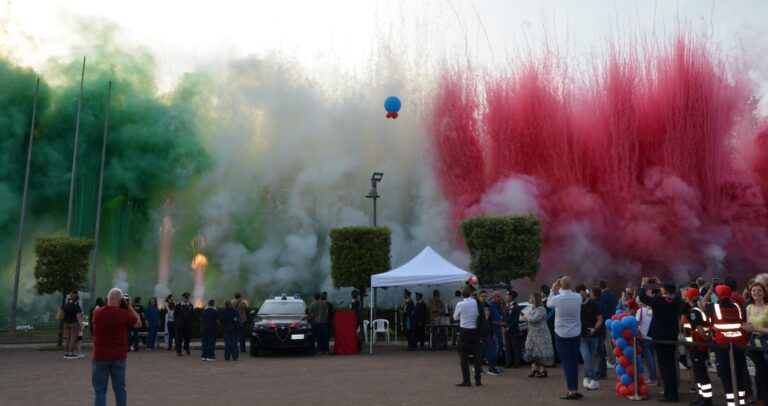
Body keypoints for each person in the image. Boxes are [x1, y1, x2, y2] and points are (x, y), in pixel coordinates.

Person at [91, 288, 141, 406]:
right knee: (120, 389)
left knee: (100, 391)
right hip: (118, 356)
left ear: (107, 299)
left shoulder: (97, 312)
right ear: (120, 301)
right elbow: (138, 323)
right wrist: (129, 307)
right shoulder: (124, 314)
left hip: (100, 356)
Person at [639, 277, 681, 403]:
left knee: (665, 366)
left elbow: (643, 298)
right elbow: (676, 294)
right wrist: (662, 284)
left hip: (660, 337)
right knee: (670, 365)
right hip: (672, 335)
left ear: (665, 290)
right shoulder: (676, 300)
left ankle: (670, 395)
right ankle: (670, 391)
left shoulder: (659, 300)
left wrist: (643, 285)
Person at [707, 285, 749, 406]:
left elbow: (703, 304)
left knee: (726, 374)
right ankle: (741, 400)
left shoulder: (713, 307)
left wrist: (710, 291)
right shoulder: (737, 306)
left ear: (717, 295)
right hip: (739, 343)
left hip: (722, 345)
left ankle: (731, 402)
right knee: (739, 372)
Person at [547, 276, 583, 400]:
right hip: (575, 333)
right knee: (574, 362)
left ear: (560, 285)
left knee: (567, 363)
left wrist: (553, 290)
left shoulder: (557, 298)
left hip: (561, 334)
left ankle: (571, 391)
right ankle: (575, 389)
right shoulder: (578, 297)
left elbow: (548, 304)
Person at [682, 287, 714, 406]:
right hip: (696, 346)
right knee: (698, 373)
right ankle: (702, 397)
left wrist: (706, 340)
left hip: (697, 346)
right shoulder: (698, 309)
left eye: (686, 295)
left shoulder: (694, 312)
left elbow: (700, 329)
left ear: (690, 298)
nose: (685, 297)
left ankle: (706, 400)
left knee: (701, 374)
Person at [743, 281, 768, 406]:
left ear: (764, 293)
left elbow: (753, 328)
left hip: (766, 345)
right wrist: (746, 328)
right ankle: (762, 399)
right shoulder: (749, 308)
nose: (756, 292)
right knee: (759, 373)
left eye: (759, 290)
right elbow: (748, 326)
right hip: (755, 346)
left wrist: (755, 329)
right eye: (753, 290)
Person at [453, 286, 482, 387]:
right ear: (470, 293)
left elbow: (455, 317)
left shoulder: (460, 304)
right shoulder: (475, 302)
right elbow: (478, 314)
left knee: (463, 356)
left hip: (464, 330)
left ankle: (466, 380)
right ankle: (478, 379)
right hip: (475, 330)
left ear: (462, 294)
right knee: (477, 355)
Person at [576, 284, 603, 391]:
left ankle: (586, 377)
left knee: (590, 359)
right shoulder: (576, 305)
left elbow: (600, 319)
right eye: (579, 295)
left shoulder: (594, 304)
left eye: (582, 294)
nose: (581, 296)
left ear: (585, 293)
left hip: (593, 336)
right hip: (581, 336)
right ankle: (594, 380)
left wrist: (594, 329)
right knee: (586, 357)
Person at [523, 291, 554, 378]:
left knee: (542, 351)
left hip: (541, 335)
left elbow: (534, 319)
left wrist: (526, 317)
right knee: (532, 350)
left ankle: (543, 370)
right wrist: (527, 317)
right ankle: (534, 369)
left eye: (531, 297)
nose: (529, 299)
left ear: (535, 299)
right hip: (532, 334)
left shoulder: (541, 309)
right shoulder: (533, 308)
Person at [478, 290, 502, 375]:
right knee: (483, 351)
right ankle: (484, 368)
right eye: (482, 296)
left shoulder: (487, 306)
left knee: (489, 350)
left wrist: (493, 332)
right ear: (479, 297)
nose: (484, 298)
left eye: (485, 296)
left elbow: (489, 320)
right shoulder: (477, 306)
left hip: (488, 332)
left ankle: (490, 367)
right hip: (480, 333)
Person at [597, 279, 618, 375]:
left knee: (607, 342)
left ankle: (611, 360)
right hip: (613, 319)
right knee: (612, 341)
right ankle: (614, 359)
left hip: (606, 321)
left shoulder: (602, 296)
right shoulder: (612, 295)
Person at [635, 298, 658, 385]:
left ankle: (652, 377)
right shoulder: (651, 310)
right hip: (653, 336)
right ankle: (656, 376)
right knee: (653, 357)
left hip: (644, 336)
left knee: (649, 358)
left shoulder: (640, 311)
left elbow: (636, 323)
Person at [62, 291, 83, 359]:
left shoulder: (66, 305)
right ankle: (71, 353)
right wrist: (81, 326)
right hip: (74, 324)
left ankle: (66, 352)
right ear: (77, 299)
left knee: (67, 338)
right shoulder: (77, 307)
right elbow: (78, 317)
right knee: (73, 339)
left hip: (66, 323)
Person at [504, 290, 522, 368]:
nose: (506, 297)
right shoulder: (507, 306)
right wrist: (504, 326)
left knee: (515, 347)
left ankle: (516, 363)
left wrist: (508, 327)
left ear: (511, 297)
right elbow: (505, 318)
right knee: (507, 347)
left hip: (513, 330)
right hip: (506, 329)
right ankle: (508, 362)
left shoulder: (516, 307)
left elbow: (515, 320)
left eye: (507, 296)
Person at [174, 292, 193, 356]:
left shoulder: (190, 306)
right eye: (185, 298)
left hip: (188, 325)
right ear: (182, 298)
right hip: (180, 325)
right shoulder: (178, 306)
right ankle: (179, 351)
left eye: (187, 298)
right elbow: (175, 315)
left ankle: (186, 347)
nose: (186, 299)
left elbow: (191, 314)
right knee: (179, 339)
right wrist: (178, 321)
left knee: (188, 338)